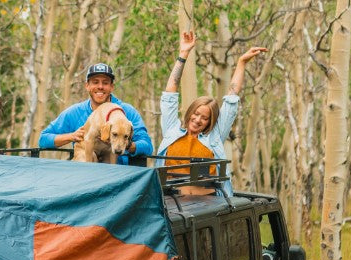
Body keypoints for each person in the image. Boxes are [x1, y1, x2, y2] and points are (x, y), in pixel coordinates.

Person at [158, 31, 267, 194]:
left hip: (206, 205)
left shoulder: (214, 137)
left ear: (210, 121)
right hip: (171, 200)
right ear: (189, 113)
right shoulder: (171, 130)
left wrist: (241, 63)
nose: (197, 120)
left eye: (204, 118)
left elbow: (231, 100)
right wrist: (183, 54)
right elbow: (170, 94)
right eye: (195, 114)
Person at [39, 62, 153, 162]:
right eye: (95, 82)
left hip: (116, 172)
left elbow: (147, 146)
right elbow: (43, 139)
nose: (100, 87)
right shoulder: (75, 112)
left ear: (112, 87)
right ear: (87, 86)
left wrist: (124, 143)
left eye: (105, 83)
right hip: (86, 171)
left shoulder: (127, 112)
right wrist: (72, 136)